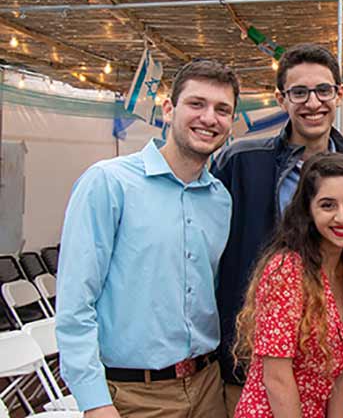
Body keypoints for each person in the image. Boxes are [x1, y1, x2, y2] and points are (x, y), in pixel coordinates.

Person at [56, 59, 240, 418]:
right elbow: (76, 302)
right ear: (168, 109)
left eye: (222, 110)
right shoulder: (108, 183)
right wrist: (94, 401)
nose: (209, 118)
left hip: (207, 388)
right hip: (132, 396)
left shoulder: (220, 199)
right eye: (196, 104)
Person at [211, 43, 343, 414]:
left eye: (323, 90)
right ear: (281, 99)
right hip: (248, 364)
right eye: (299, 92)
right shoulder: (242, 162)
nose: (313, 102)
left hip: (321, 373)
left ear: (339, 94)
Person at [232, 152, 343, 417]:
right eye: (327, 205)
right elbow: (277, 378)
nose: (342, 217)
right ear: (308, 210)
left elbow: (342, 365)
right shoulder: (287, 271)